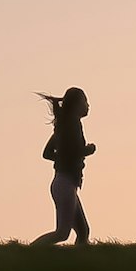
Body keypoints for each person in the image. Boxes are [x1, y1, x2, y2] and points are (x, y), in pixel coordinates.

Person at [35, 86, 96, 245]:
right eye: (85, 101)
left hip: (63, 183)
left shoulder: (62, 126)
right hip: (65, 184)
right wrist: (88, 150)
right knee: (62, 233)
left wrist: (63, 158)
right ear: (76, 104)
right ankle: (29, 251)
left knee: (83, 231)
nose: (88, 105)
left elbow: (47, 153)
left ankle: (80, 264)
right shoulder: (72, 125)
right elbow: (74, 151)